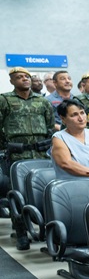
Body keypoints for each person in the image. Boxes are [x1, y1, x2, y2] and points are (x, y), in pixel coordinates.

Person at [0, 66, 55, 250]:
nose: (24, 79)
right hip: (16, 154)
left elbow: (49, 124)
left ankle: (48, 231)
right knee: (17, 194)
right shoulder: (4, 100)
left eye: (27, 76)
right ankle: (21, 232)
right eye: (19, 77)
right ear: (12, 81)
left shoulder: (42, 101)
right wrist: (6, 146)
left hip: (40, 153)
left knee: (42, 192)